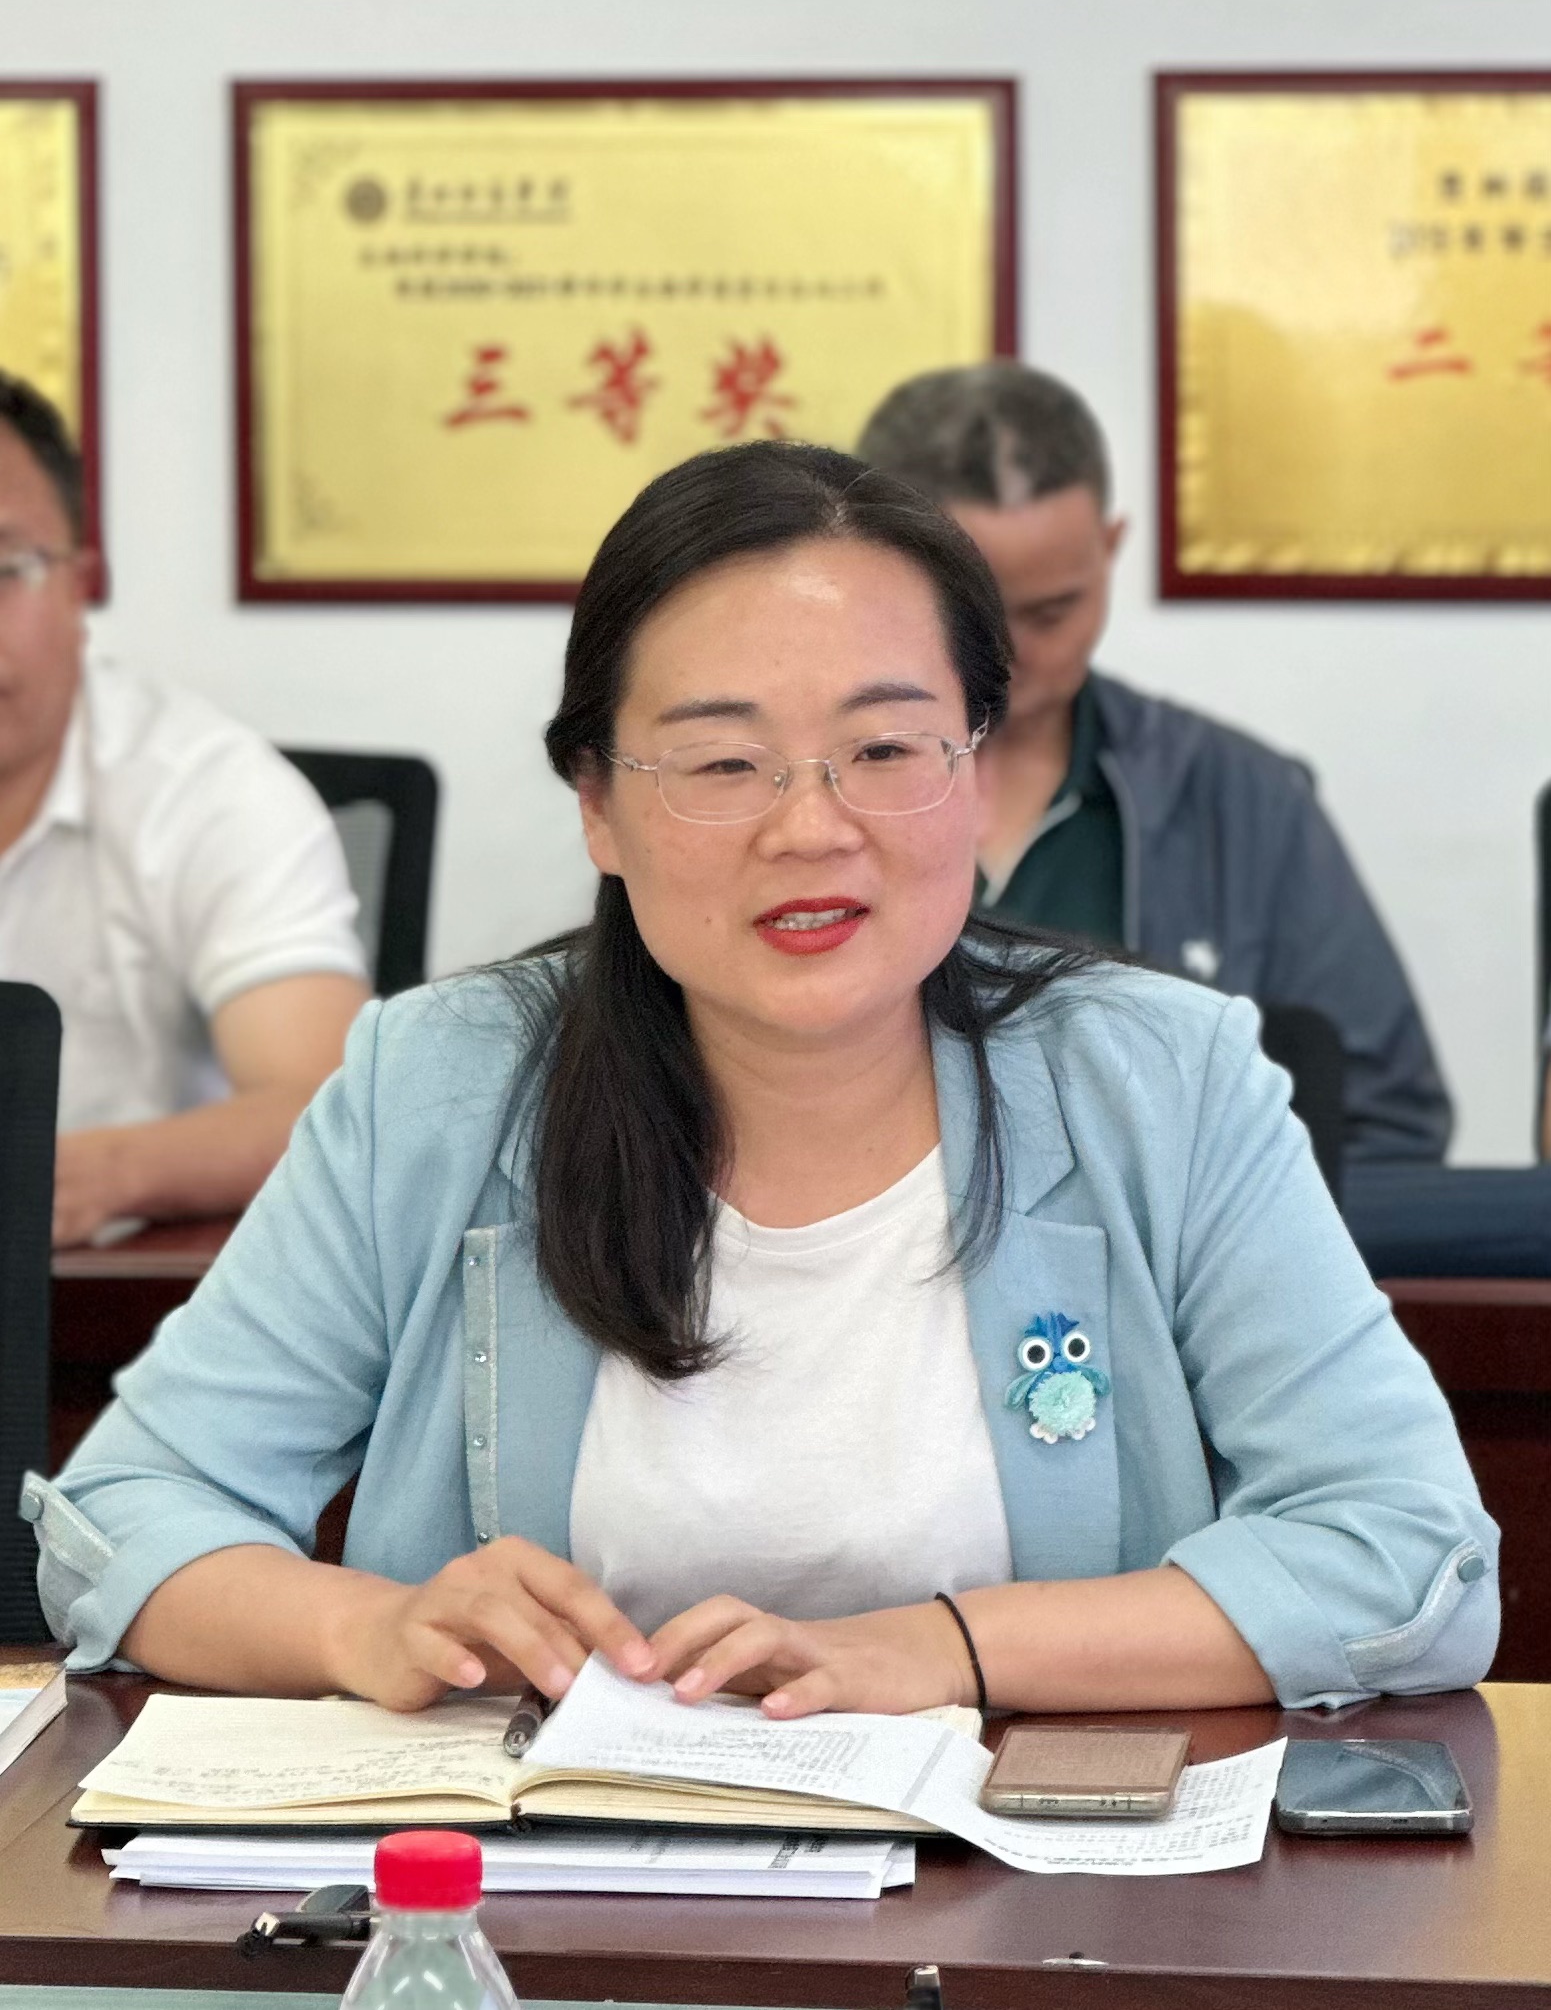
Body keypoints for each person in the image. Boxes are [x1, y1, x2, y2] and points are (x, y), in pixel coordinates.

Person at [27, 442, 1496, 1721]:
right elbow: (126, 1518)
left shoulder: (1163, 1082)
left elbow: (1407, 1557)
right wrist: (367, 1627)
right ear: (597, 807)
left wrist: (938, 1651)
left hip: (1031, 1899)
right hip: (535, 1899)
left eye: (883, 748)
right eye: (723, 764)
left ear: (977, 775)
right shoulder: (439, 1087)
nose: (811, 828)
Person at [856, 364, 1452, 1167]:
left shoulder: (1243, 801)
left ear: (1109, 550)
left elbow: (1384, 1127)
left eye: (1052, 612)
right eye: (973, 615)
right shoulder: (787, 798)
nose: (1010, 654)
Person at [0, 371, 371, 1245]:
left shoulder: (208, 790)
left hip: (123, 1297)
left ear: (80, 584)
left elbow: (325, 1102)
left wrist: (59, 1177)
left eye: (3, 569)